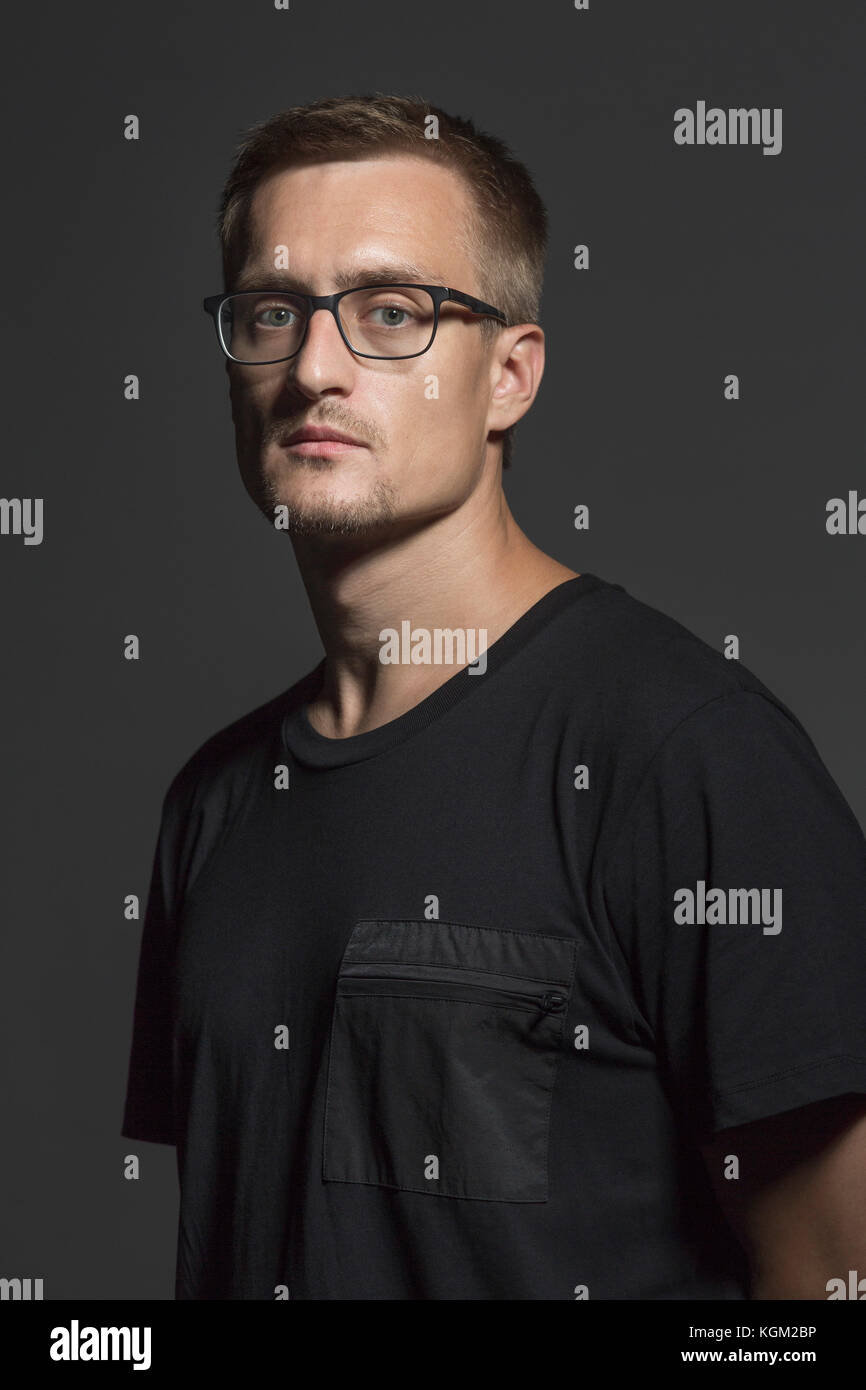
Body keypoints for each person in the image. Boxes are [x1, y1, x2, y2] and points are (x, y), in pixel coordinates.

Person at [122, 93, 866, 1300]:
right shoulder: (210, 808)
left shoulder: (685, 760)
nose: (313, 366)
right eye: (271, 313)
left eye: (388, 314)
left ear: (508, 375)